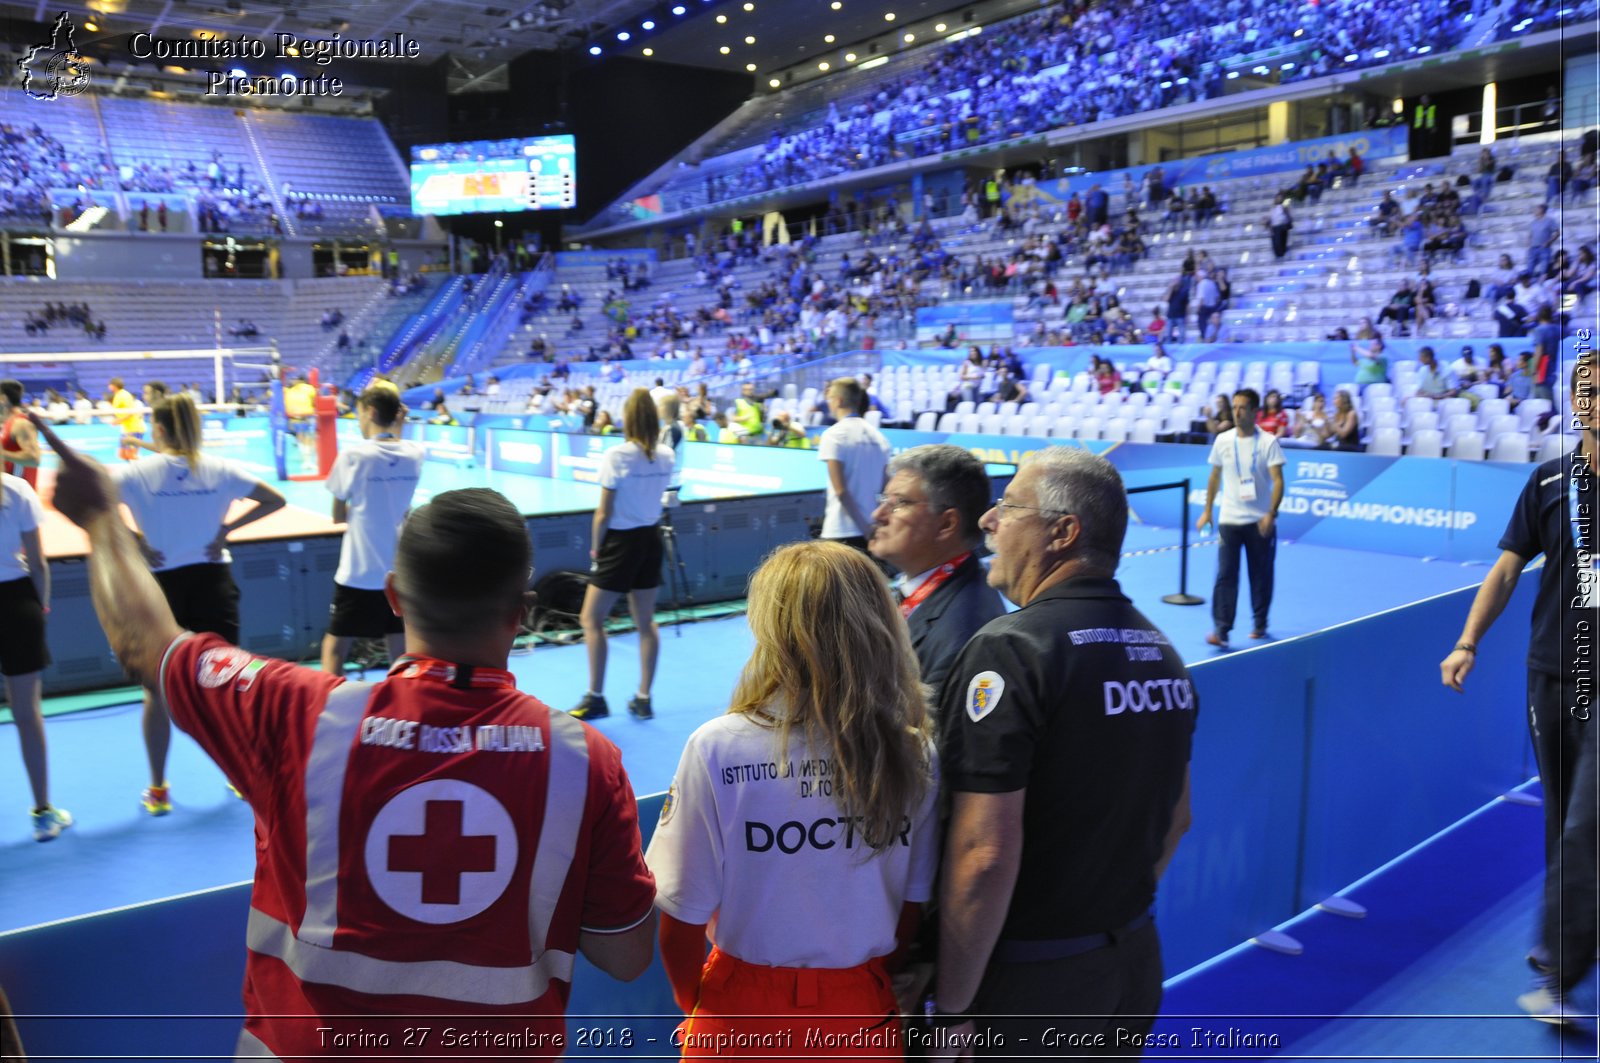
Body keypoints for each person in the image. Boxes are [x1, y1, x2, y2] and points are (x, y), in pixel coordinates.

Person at [33, 415, 657, 1056]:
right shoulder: (585, 763)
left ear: (393, 595)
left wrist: (105, 520)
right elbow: (628, 954)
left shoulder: (293, 712)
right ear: (521, 613)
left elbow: (146, 644)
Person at [928, 447, 1195, 1055]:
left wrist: (954, 1008)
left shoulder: (1011, 650)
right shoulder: (1161, 650)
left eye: (1009, 506)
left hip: (1033, 984)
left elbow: (985, 853)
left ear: (1062, 532)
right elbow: (1178, 821)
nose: (989, 520)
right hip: (1131, 963)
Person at [646, 541, 936, 1058]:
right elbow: (911, 905)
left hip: (742, 1010)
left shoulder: (719, 746)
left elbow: (680, 917)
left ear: (770, 629)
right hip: (859, 1010)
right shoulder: (914, 752)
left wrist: (701, 1010)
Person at [1440, 355, 1599, 1025]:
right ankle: (1567, 931)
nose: (1590, 401)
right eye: (1582, 390)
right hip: (1550, 671)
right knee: (1564, 813)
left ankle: (1563, 964)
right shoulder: (1550, 480)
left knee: (1589, 820)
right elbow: (1507, 568)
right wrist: (1468, 639)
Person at [110, 394, 287, 814]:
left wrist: (134, 541)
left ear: (157, 428)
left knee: (155, 692)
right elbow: (275, 499)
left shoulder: (136, 472)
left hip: (159, 592)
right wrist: (227, 530)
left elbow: (91, 509)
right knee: (227, 688)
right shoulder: (219, 469)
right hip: (213, 585)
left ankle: (158, 790)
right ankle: (241, 776)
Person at [868, 445, 1005, 692]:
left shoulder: (965, 631)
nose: (878, 514)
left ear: (946, 524)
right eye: (883, 500)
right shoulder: (908, 585)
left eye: (898, 503)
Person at [571, 389, 673, 722]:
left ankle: (596, 697)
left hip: (620, 543)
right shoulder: (667, 455)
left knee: (590, 619)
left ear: (627, 418)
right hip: (651, 540)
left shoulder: (617, 455)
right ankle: (644, 698)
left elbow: (603, 512)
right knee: (645, 622)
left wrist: (596, 547)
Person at [320, 385, 424, 676]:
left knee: (335, 647)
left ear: (372, 412)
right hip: (399, 569)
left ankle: (328, 705)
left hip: (358, 570)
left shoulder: (354, 456)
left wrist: (362, 506)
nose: (357, 421)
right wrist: (398, 424)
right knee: (400, 649)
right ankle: (402, 709)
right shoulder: (416, 453)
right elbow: (397, 451)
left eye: (359, 414)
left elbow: (338, 515)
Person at [0, 461, 68, 840]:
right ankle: (43, 813)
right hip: (16, 604)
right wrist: (41, 606)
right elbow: (38, 562)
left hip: (16, 604)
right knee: (27, 715)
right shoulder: (15, 490)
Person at [1198, 389, 1285, 648]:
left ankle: (1260, 623)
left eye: (1243, 408)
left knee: (1261, 574)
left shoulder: (1268, 442)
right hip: (1229, 519)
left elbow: (1279, 481)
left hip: (1259, 520)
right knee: (1225, 575)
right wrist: (1207, 510)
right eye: (1234, 407)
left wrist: (1271, 513)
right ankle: (1221, 630)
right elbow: (1214, 477)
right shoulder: (1223, 440)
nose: (1236, 412)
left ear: (1255, 411)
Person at [818, 377, 890, 553]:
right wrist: (872, 527)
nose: (829, 404)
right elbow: (886, 490)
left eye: (830, 399)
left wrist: (864, 527)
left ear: (839, 401)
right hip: (871, 531)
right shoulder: (879, 438)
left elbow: (841, 491)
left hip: (840, 530)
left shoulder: (833, 435)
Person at [0, 380, 41, 489]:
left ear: (3, 399)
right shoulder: (8, 422)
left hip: (18, 498)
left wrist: (2, 454)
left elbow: (33, 459)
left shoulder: (21, 423)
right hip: (8, 494)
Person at [107, 377, 144, 461]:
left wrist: (118, 421)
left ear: (114, 385)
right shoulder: (117, 395)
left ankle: (139, 469)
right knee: (122, 455)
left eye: (110, 384)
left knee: (131, 455)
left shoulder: (124, 395)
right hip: (126, 427)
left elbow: (130, 412)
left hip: (134, 427)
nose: (108, 386)